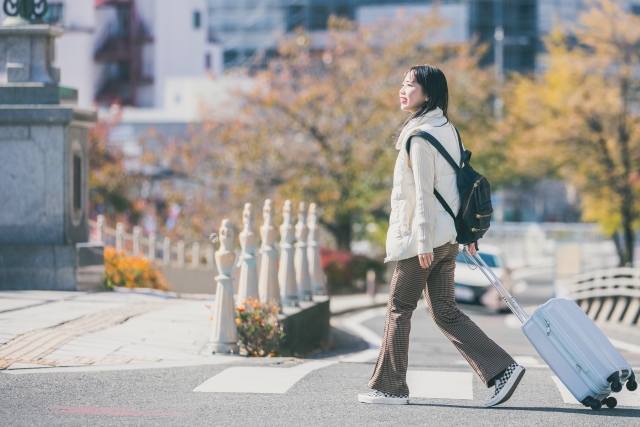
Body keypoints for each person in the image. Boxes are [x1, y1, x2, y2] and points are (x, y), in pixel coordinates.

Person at [357, 65, 525, 407]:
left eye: (410, 85)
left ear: (428, 93)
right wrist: (467, 234)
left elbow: (422, 194)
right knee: (446, 311)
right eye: (402, 84)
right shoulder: (448, 129)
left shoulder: (419, 136)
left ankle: (389, 388)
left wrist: (420, 243)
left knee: (398, 307)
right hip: (447, 240)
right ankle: (503, 368)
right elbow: (459, 188)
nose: (402, 90)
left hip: (425, 242)